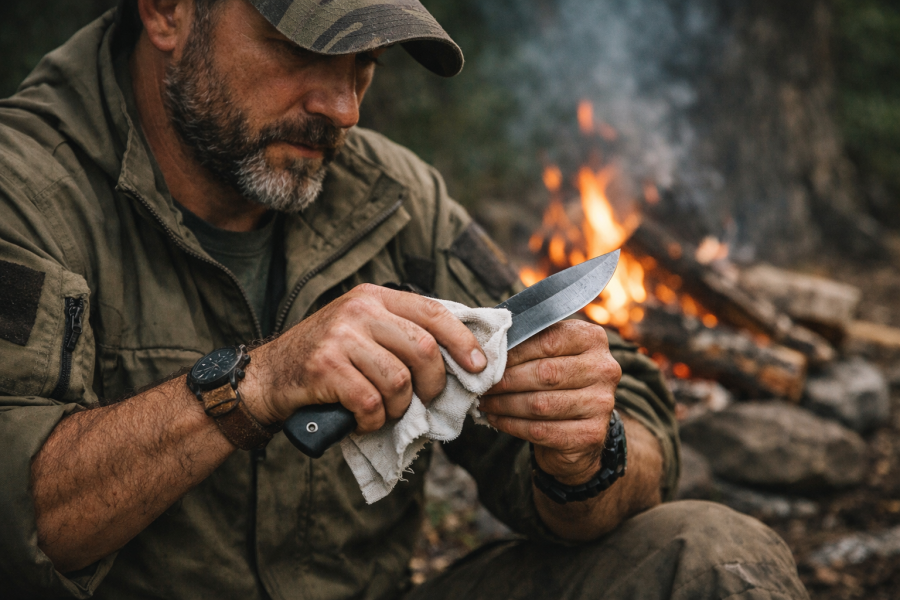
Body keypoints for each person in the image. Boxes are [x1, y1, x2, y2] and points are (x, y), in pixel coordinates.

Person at [0, 0, 809, 598]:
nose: (343, 107)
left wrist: (583, 457)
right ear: (169, 13)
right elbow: (18, 528)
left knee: (707, 554)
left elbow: (635, 427)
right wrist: (255, 385)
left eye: (365, 62)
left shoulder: (389, 196)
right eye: (300, 49)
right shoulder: (24, 188)